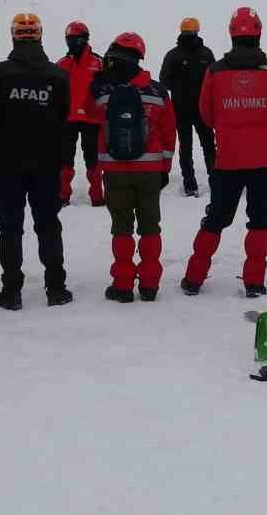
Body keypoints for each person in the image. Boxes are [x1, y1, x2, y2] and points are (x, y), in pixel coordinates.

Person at [182, 7, 267, 298]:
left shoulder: (216, 71)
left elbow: (206, 114)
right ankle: (254, 282)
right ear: (259, 33)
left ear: (231, 34)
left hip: (228, 160)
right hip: (266, 161)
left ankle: (193, 278)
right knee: (261, 221)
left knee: (215, 219)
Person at [0, 13, 73, 310]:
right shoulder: (57, 75)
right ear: (39, 35)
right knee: (48, 224)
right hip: (46, 161)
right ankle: (56, 287)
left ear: (13, 36)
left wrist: (8, 133)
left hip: (8, 160)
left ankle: (11, 290)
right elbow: (63, 115)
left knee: (10, 226)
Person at [93, 33, 176, 302]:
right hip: (150, 171)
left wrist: (97, 83)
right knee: (150, 227)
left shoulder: (103, 92)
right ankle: (150, 285)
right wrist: (164, 166)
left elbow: (87, 116)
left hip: (115, 172)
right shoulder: (158, 92)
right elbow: (169, 132)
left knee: (122, 228)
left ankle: (123, 285)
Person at [158, 17, 216, 197]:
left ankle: (194, 184)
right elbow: (164, 80)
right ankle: (211, 181)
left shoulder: (175, 55)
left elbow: (164, 80)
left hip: (188, 108)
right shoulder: (204, 54)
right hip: (193, 109)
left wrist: (179, 87)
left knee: (192, 146)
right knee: (203, 145)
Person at [57, 21, 106, 206]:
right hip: (67, 118)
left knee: (93, 159)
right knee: (65, 159)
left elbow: (108, 87)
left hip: (92, 118)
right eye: (69, 39)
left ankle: (97, 196)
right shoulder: (62, 64)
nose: (72, 43)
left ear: (85, 39)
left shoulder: (99, 63)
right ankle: (62, 196)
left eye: (75, 39)